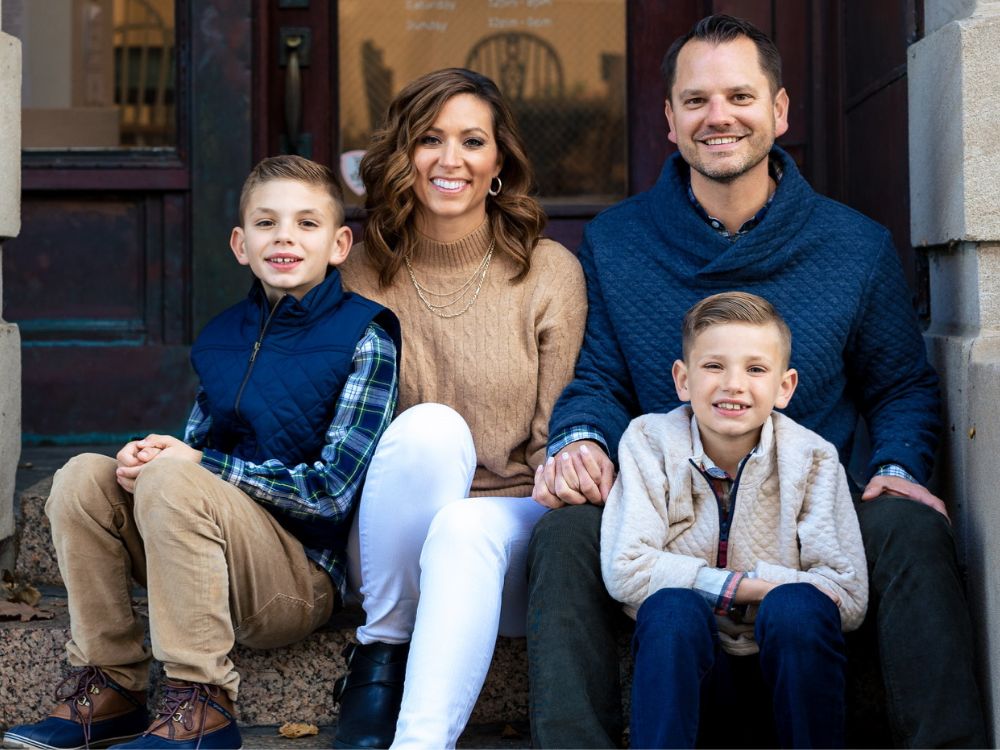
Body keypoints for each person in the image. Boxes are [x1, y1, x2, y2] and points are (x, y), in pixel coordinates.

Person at [528, 13, 986, 749]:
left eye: (740, 97)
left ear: (779, 110)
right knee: (565, 532)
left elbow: (902, 386)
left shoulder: (854, 245)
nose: (719, 117)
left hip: (810, 512)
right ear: (670, 119)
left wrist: (898, 466)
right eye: (697, 100)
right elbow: (599, 380)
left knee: (911, 525)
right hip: (670, 514)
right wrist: (580, 440)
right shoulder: (617, 241)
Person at [3, 155, 400, 750]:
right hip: (205, 559)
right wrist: (148, 461)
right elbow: (195, 455)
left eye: (306, 223)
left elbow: (330, 494)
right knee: (84, 477)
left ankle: (202, 703)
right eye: (266, 223)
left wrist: (192, 466)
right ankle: (111, 686)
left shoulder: (366, 333)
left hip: (298, 581)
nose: (284, 236)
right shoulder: (221, 336)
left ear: (340, 244)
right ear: (241, 244)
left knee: (175, 478)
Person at [332, 68, 586, 749]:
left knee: (462, 527)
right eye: (429, 139)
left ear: (499, 163)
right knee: (430, 431)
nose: (451, 160)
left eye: (472, 141)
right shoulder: (358, 273)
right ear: (403, 155)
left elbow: (556, 442)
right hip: (390, 549)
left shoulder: (548, 271)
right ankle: (383, 647)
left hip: (503, 540)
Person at [601, 291, 867, 748]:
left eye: (756, 369)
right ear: (683, 380)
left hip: (783, 676)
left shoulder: (813, 458)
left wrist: (761, 592)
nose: (733, 384)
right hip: (692, 680)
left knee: (798, 608)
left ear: (785, 387)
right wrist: (750, 589)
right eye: (713, 366)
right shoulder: (649, 442)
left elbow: (847, 595)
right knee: (671, 609)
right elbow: (626, 569)